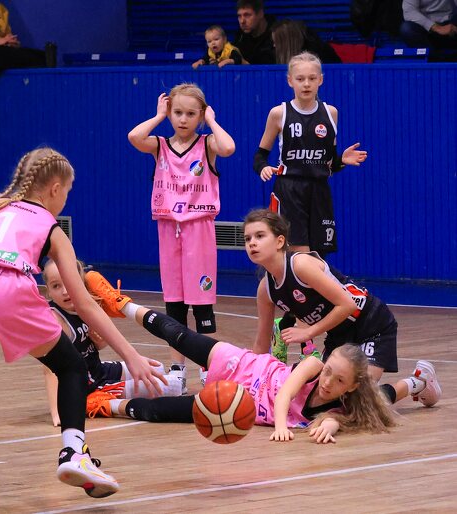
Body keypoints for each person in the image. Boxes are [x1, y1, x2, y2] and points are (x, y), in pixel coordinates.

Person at [0, 147, 166, 500]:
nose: (65, 199)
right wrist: (131, 355)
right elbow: (84, 303)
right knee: (71, 367)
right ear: (54, 188)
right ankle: (74, 453)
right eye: (68, 192)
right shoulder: (50, 226)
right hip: (9, 289)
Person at [84, 271, 440, 443]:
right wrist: (282, 425)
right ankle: (122, 304)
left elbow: (342, 416)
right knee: (180, 335)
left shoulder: (343, 405)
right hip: (247, 368)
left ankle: (105, 405)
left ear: (349, 387)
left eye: (339, 381)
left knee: (163, 412)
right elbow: (285, 394)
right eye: (330, 372)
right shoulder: (315, 365)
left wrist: (334, 424)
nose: (328, 381)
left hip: (244, 403)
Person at [243, 207, 442, 413]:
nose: (252, 243)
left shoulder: (300, 265)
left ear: (279, 241)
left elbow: (347, 305)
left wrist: (309, 332)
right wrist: (250, 383)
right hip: (338, 336)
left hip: (371, 324)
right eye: (247, 239)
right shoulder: (265, 290)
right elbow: (261, 343)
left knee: (357, 401)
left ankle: (417, 383)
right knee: (328, 400)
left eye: (260, 236)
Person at [253, 52, 367, 358]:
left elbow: (328, 164)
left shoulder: (331, 113)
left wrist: (341, 161)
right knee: (299, 262)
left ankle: (287, 325)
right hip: (289, 190)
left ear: (321, 80)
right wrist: (263, 168)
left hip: (319, 193)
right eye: (300, 78)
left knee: (317, 264)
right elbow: (259, 155)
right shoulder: (279, 113)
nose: (306, 83)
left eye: (312, 78)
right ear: (290, 81)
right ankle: (306, 344)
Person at [127, 83, 236, 394]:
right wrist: (158, 116)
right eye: (177, 112)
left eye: (191, 113)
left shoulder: (207, 144)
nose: (183, 119)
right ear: (170, 113)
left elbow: (228, 148)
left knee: (201, 305)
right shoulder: (160, 145)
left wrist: (212, 121)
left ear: (200, 116)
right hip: (168, 228)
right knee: (174, 304)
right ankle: (177, 371)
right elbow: (134, 137)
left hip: (198, 227)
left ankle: (208, 368)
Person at [41, 260, 182, 426]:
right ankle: (97, 401)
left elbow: (97, 346)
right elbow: (49, 370)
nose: (65, 291)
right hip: (88, 385)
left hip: (97, 369)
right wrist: (58, 411)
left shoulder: (85, 305)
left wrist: (97, 339)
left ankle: (112, 396)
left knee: (156, 367)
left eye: (68, 282)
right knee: (173, 386)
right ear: (48, 291)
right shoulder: (55, 319)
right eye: (56, 286)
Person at [271, 19, 341, 65]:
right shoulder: (272, 56)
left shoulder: (321, 55)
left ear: (287, 43)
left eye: (276, 42)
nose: (274, 45)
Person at [233, 0, 276, 64]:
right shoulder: (240, 37)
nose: (242, 21)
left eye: (247, 15)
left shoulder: (276, 34)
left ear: (260, 14)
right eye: (239, 16)